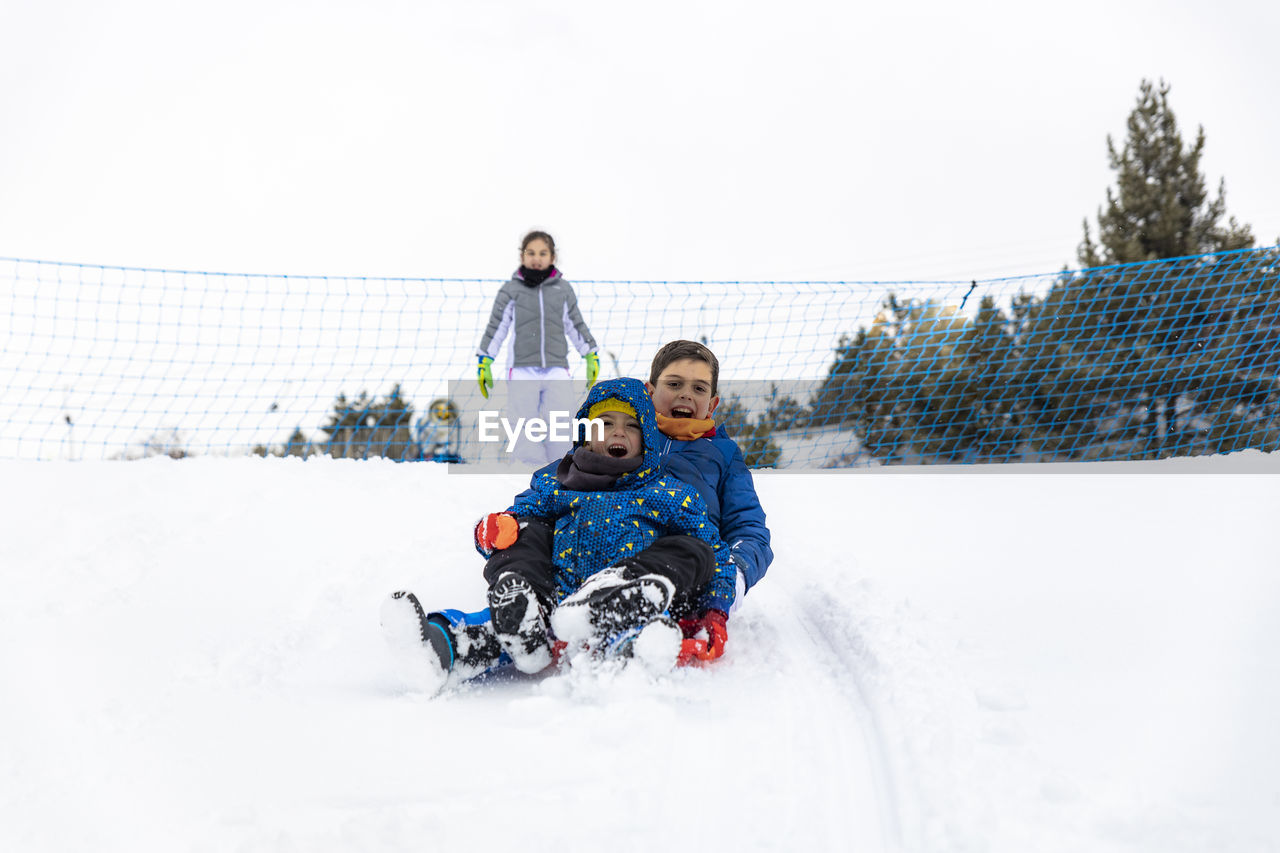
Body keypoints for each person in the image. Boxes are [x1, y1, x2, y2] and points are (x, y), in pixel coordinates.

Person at [382, 341, 772, 693]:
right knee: (527, 532)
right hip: (565, 578)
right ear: (651, 392)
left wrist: (719, 602)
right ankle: (494, 619)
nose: (686, 394)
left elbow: (743, 535)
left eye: (699, 388)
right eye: (674, 384)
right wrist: (503, 528)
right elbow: (531, 505)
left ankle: (625, 603)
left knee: (695, 547)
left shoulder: (705, 469)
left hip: (656, 574)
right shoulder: (575, 466)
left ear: (713, 402)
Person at [476, 230, 600, 466]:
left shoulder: (562, 289)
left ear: (552, 257)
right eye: (531, 252)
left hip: (557, 368)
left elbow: (575, 323)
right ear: (522, 256)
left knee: (561, 420)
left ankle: (561, 467)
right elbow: (497, 326)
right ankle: (526, 468)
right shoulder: (511, 290)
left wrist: (590, 353)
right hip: (522, 368)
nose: (536, 257)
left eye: (543, 253)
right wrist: (485, 358)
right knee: (523, 422)